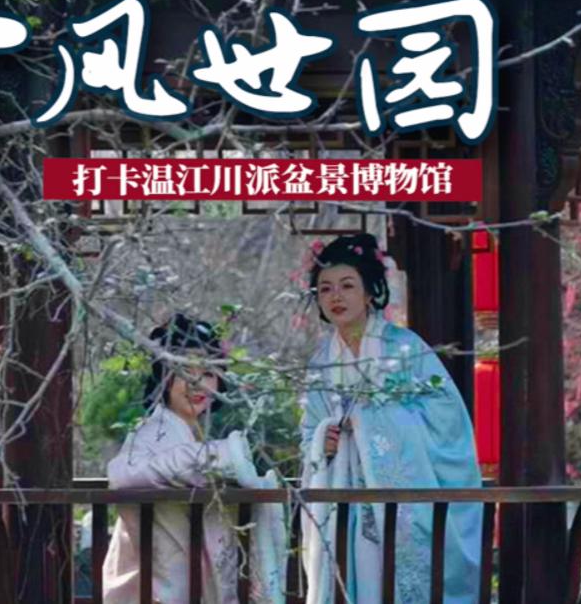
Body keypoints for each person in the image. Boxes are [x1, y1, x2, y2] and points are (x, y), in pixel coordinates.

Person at [299, 233, 482, 604]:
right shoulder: (321, 362)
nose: (336, 296)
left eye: (347, 285)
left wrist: (367, 422)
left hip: (403, 501)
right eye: (325, 288)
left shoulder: (406, 349)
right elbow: (308, 433)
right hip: (345, 503)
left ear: (369, 292)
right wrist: (324, 441)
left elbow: (447, 419)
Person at [102, 314, 285, 604]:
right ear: (164, 377)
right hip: (156, 586)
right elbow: (121, 474)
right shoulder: (152, 431)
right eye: (185, 371)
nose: (197, 384)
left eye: (208, 373)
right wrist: (214, 457)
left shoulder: (192, 432)